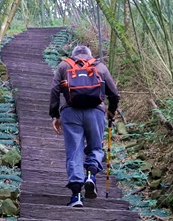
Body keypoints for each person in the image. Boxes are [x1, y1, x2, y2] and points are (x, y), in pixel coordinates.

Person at [49, 45, 120, 207]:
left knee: (74, 152)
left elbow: (54, 90)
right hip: (96, 112)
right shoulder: (99, 66)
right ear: (89, 55)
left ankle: (76, 196)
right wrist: (111, 110)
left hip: (70, 112)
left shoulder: (64, 65)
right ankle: (90, 175)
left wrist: (55, 114)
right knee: (95, 147)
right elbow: (114, 93)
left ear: (73, 55)